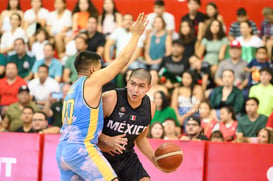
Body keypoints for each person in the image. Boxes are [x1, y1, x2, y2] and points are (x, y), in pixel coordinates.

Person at [56, 13, 148, 181]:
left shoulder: (71, 89)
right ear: (92, 70)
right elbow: (121, 62)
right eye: (100, 68)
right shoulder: (91, 81)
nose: (102, 71)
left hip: (62, 151)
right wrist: (135, 35)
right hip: (81, 150)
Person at [99, 68, 164, 181]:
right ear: (127, 82)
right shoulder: (110, 98)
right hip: (101, 154)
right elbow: (86, 128)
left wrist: (156, 161)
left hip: (126, 156)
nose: (135, 90)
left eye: (141, 86)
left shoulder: (150, 107)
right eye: (132, 84)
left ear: (149, 88)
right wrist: (106, 139)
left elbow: (141, 139)